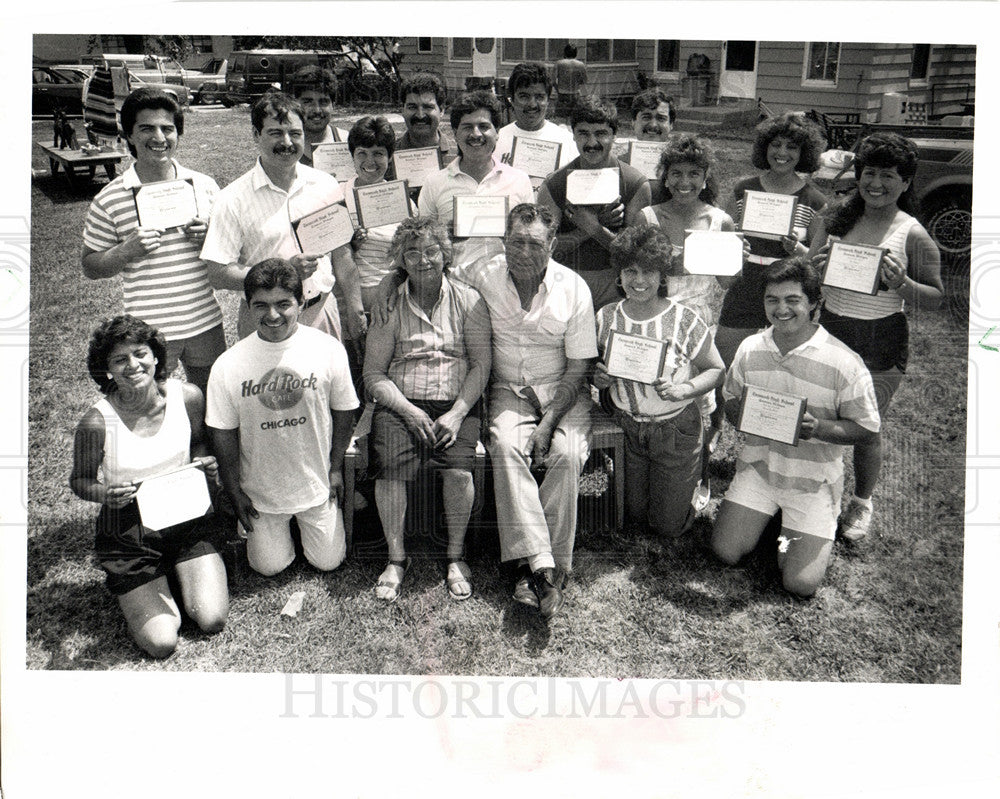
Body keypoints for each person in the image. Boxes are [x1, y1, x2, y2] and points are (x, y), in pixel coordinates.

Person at [711, 258, 881, 597]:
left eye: (793, 300)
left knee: (799, 584)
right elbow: (730, 400)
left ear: (814, 304)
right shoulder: (750, 347)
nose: (781, 309)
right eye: (772, 300)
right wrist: (740, 413)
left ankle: (801, 521)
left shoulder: (843, 361)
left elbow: (866, 430)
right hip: (760, 469)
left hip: (812, 481)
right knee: (725, 552)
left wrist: (818, 428)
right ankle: (773, 519)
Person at [806, 132, 944, 541]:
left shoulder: (911, 233)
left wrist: (902, 285)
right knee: (821, 418)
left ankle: (862, 502)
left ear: (906, 182)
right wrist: (815, 267)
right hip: (829, 328)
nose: (876, 184)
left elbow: (937, 299)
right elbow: (808, 275)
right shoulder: (835, 218)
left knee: (867, 427)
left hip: (880, 336)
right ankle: (815, 489)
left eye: (888, 176)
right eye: (869, 173)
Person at [70, 315, 228, 658]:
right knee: (161, 642)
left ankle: (175, 572)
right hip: (129, 529)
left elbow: (200, 442)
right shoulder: (97, 422)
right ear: (107, 369)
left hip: (185, 515)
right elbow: (79, 481)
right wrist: (104, 495)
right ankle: (146, 583)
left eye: (140, 353)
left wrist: (204, 463)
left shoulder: (187, 397)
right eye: (119, 359)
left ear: (156, 356)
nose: (132, 365)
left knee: (211, 618)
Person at [363, 218, 491, 602]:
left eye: (432, 251)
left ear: (446, 254)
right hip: (402, 402)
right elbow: (373, 372)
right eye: (412, 252)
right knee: (390, 471)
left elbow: (481, 364)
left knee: (457, 472)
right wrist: (406, 409)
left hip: (456, 401)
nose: (423, 260)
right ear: (400, 259)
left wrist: (456, 413)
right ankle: (396, 558)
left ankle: (454, 554)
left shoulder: (470, 300)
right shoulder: (389, 304)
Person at [206, 259, 359, 577]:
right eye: (261, 305)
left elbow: (344, 411)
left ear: (301, 302)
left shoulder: (328, 349)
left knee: (327, 561)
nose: (272, 315)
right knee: (268, 567)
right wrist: (234, 489)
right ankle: (272, 533)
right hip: (261, 494)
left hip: (315, 485)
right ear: (248, 307)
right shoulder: (228, 364)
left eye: (283, 304)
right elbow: (222, 432)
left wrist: (334, 469)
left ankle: (313, 524)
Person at [82, 88, 224, 398]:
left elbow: (227, 248)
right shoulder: (110, 198)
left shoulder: (204, 186)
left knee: (214, 403)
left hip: (204, 321)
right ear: (129, 135)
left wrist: (211, 234)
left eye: (167, 128)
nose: (159, 137)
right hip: (148, 331)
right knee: (156, 408)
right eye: (147, 128)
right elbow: (90, 265)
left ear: (178, 133)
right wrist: (125, 250)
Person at [200, 92, 366, 345]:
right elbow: (218, 273)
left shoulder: (326, 184)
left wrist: (354, 309)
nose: (287, 142)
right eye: (276, 133)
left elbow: (342, 254)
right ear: (256, 135)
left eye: (295, 134)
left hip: (320, 312)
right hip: (264, 321)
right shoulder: (232, 198)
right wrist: (283, 274)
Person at [593, 226, 724, 536]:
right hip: (628, 427)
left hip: (675, 428)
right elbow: (599, 371)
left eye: (649, 272)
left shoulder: (684, 318)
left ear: (663, 275)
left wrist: (683, 390)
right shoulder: (606, 316)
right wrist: (599, 378)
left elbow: (716, 369)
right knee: (632, 516)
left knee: (666, 527)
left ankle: (694, 478)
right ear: (620, 274)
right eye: (631, 271)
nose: (639, 281)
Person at [716, 112, 828, 366]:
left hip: (788, 289)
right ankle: (724, 405)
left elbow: (816, 259)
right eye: (775, 144)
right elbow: (721, 235)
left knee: (787, 360)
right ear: (764, 147)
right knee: (725, 354)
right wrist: (733, 245)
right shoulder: (742, 190)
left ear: (804, 153)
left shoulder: (815, 200)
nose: (782, 152)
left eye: (792, 147)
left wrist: (797, 248)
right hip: (744, 283)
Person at [537, 96, 651, 309]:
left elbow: (635, 257)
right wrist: (586, 230)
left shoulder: (635, 183)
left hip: (616, 286)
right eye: (583, 134)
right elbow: (545, 249)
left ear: (615, 135)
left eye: (600, 134)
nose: (591, 143)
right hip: (566, 281)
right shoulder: (554, 184)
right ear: (573, 135)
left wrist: (594, 227)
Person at [417, 90, 533, 269]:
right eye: (467, 127)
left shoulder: (520, 180)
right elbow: (423, 243)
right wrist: (444, 237)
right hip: (454, 285)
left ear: (497, 133)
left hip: (507, 283)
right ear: (455, 133)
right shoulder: (434, 183)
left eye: (484, 126)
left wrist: (510, 234)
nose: (476, 134)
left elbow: (529, 240)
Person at [342, 115, 403, 313]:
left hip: (391, 305)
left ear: (390, 156)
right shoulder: (337, 197)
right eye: (362, 153)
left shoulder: (401, 200)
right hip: (347, 305)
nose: (370, 161)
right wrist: (349, 245)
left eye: (378, 153)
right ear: (352, 155)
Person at [495, 61, 578, 176]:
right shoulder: (497, 140)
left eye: (539, 97)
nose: (532, 104)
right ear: (512, 99)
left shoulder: (566, 140)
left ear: (548, 100)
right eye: (524, 96)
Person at [626, 87, 677, 202]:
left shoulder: (681, 159)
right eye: (646, 117)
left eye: (661, 118)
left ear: (671, 124)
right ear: (633, 122)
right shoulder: (619, 158)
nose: (653, 125)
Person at [288, 65, 344, 168]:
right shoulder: (285, 146)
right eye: (308, 102)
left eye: (323, 102)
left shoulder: (348, 142)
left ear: (333, 105)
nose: (317, 110)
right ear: (294, 104)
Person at [394, 72, 455, 162]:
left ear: (441, 110)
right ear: (403, 110)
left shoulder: (460, 155)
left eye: (428, 107)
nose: (420, 115)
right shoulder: (388, 155)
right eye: (412, 107)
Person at [554, 44, 588, 121]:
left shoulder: (559, 63)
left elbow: (553, 81)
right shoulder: (580, 64)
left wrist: (558, 90)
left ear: (565, 53)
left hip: (562, 93)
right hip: (575, 93)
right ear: (576, 53)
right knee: (574, 119)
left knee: (561, 121)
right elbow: (584, 81)